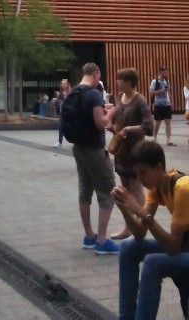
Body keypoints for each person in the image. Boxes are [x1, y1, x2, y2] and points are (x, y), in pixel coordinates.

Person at [113, 140, 189, 320]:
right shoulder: (156, 186)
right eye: (137, 174)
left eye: (143, 172)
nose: (139, 179)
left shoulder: (183, 189)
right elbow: (140, 233)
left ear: (159, 167)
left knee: (152, 263)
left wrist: (143, 213)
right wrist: (125, 209)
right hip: (188, 245)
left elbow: (173, 247)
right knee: (128, 247)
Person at [71, 62, 119, 254]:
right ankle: (102, 240)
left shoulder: (74, 92)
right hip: (94, 150)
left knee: (85, 190)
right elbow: (101, 123)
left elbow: (87, 113)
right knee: (107, 192)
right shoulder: (93, 94)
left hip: (78, 148)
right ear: (95, 74)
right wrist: (112, 111)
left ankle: (89, 236)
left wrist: (102, 106)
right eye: (99, 76)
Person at [108, 68, 153, 241]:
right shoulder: (119, 97)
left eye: (120, 79)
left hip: (135, 151)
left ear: (128, 82)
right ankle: (128, 227)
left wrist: (128, 129)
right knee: (125, 189)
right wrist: (112, 126)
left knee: (136, 188)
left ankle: (141, 224)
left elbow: (148, 127)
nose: (117, 82)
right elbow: (118, 119)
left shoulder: (140, 101)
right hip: (122, 151)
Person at [150, 66, 175, 146]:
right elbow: (151, 92)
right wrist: (161, 90)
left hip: (167, 104)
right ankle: (154, 138)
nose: (166, 74)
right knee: (158, 122)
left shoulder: (167, 81)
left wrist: (171, 102)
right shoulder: (155, 81)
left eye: (167, 73)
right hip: (158, 104)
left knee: (168, 122)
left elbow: (169, 92)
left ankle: (168, 140)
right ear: (160, 72)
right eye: (165, 73)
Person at [53, 78, 73, 147]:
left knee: (71, 127)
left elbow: (71, 101)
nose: (63, 85)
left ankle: (76, 141)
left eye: (64, 83)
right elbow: (59, 101)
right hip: (62, 112)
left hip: (69, 112)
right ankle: (59, 142)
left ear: (67, 84)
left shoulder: (70, 92)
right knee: (61, 126)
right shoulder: (61, 93)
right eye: (62, 83)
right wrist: (56, 101)